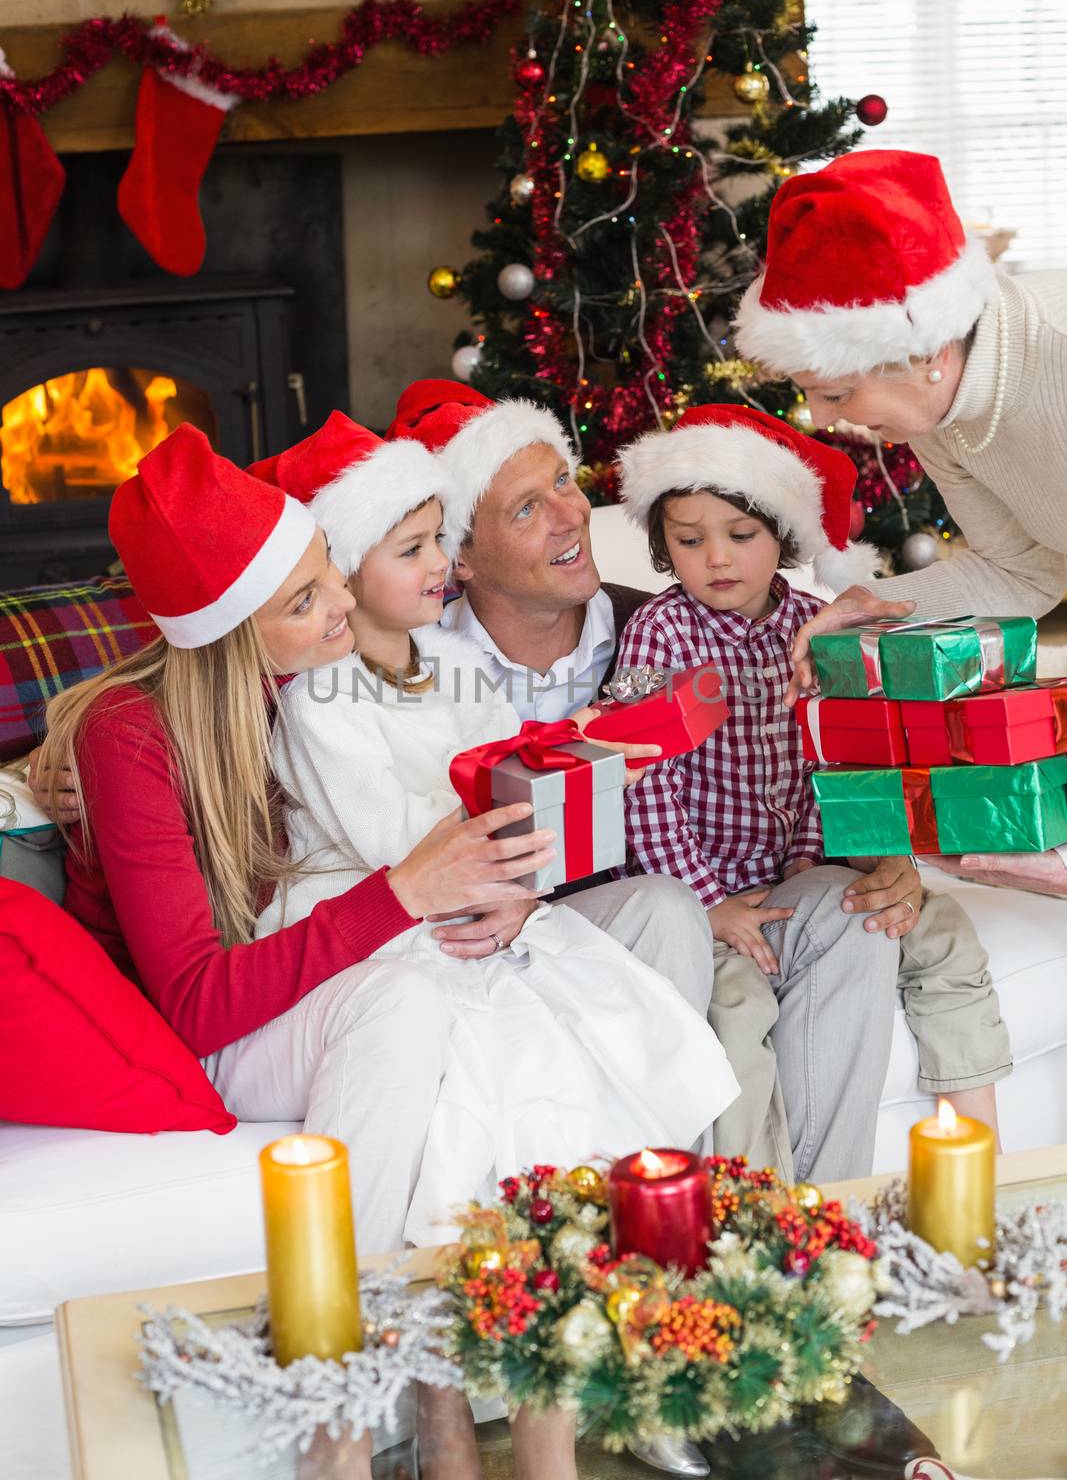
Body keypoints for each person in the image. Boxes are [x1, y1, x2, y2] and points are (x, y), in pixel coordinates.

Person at [28, 425, 568, 1480]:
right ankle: (339, 1429)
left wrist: (500, 899)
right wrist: (404, 893)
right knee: (407, 1006)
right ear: (232, 632)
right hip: (216, 1034)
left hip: (317, 996)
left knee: (488, 1001)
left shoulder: (322, 685)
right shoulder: (131, 735)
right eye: (307, 602)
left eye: (330, 579)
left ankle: (480, 1397)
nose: (341, 611)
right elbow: (193, 1002)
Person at [251, 412, 738, 1480]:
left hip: (488, 917)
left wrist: (535, 853)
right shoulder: (320, 700)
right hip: (377, 935)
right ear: (343, 573)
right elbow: (397, 847)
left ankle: (588, 1372)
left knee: (603, 1037)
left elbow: (513, 809)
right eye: (412, 549)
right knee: (490, 1064)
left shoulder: (458, 670)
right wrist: (501, 839)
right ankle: (456, 1412)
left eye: (440, 542)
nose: (440, 570)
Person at [388, 377, 923, 1180]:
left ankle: (820, 1224)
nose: (571, 514)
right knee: (669, 912)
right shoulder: (417, 670)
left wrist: (885, 852)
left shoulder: (673, 620)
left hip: (724, 890)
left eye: (564, 482)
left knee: (848, 915)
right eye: (526, 508)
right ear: (459, 555)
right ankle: (730, 1225)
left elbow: (815, 741)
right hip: (589, 922)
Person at [615, 402, 1011, 1154]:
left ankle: (978, 1156)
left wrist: (807, 853)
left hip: (798, 869)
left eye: (741, 537)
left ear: (782, 536)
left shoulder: (814, 624)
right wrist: (709, 904)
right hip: (709, 882)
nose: (717, 559)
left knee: (917, 926)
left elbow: (825, 756)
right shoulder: (660, 632)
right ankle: (764, 1200)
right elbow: (645, 781)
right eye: (689, 541)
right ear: (663, 547)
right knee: (734, 1001)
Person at [732, 147, 1067, 900]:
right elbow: (1023, 569)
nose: (821, 420)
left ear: (926, 353)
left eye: (835, 391)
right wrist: (874, 610)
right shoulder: (939, 412)